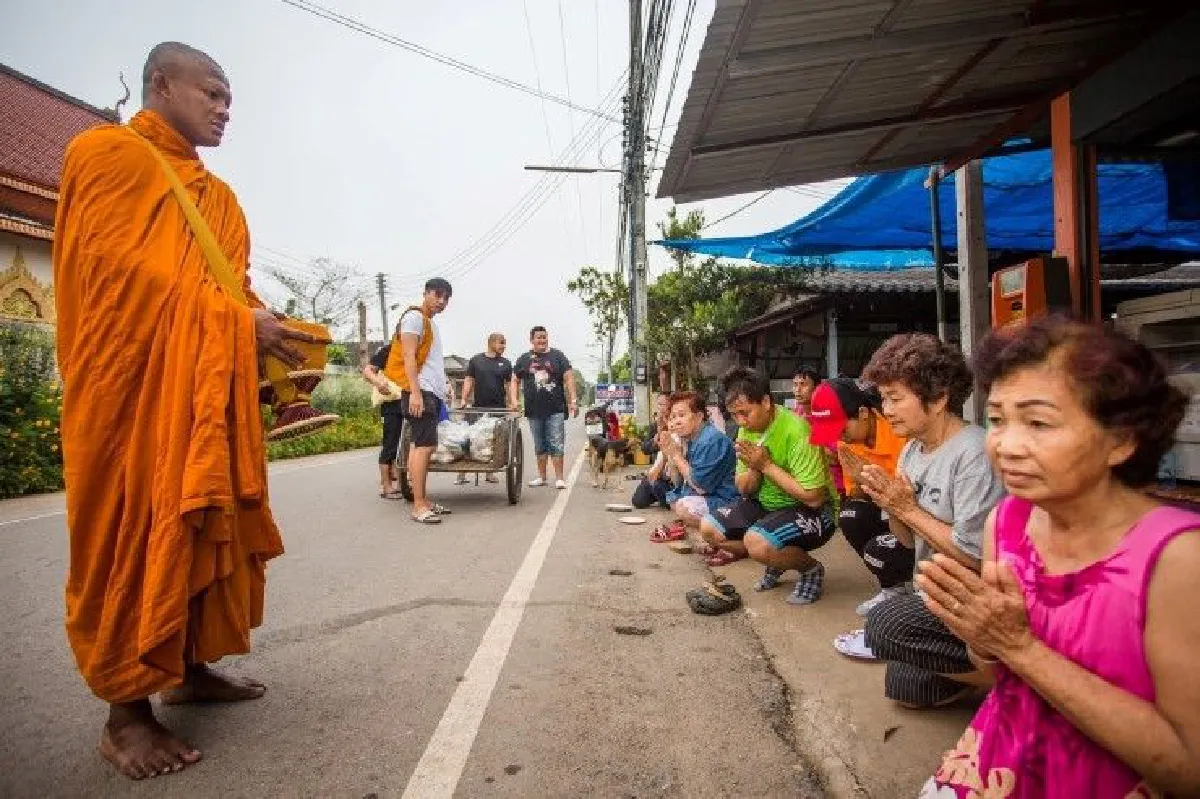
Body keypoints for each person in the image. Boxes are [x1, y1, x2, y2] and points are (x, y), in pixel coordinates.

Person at [53, 42, 318, 779]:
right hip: (130, 400)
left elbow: (222, 288)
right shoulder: (106, 157)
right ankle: (126, 714)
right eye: (212, 94)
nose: (224, 109)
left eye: (230, 99)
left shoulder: (220, 199)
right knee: (138, 533)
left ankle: (189, 665)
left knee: (203, 526)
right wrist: (236, 325)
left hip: (201, 396)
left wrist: (268, 331)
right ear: (160, 84)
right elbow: (117, 285)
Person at [917, 318, 1200, 798]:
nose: (1004, 446)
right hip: (1002, 759)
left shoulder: (1177, 559)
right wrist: (985, 639)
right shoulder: (1004, 524)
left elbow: (1189, 769)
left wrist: (1020, 646)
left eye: (1038, 422)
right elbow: (996, 674)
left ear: (1121, 440)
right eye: (998, 419)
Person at [841, 333, 1004, 709]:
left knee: (882, 625)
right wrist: (890, 504)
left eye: (896, 398)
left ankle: (1010, 683)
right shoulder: (911, 452)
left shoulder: (973, 454)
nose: (887, 409)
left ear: (939, 397)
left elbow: (976, 556)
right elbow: (909, 541)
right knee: (906, 689)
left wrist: (910, 509)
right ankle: (976, 675)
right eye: (884, 399)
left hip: (971, 593)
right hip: (931, 589)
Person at [697, 368, 838, 601]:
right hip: (767, 505)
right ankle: (775, 555)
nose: (741, 421)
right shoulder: (746, 430)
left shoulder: (797, 431)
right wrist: (754, 466)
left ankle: (810, 569)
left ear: (765, 401)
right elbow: (743, 489)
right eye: (734, 415)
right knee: (709, 528)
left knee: (758, 543)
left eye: (745, 412)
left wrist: (766, 466)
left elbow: (814, 497)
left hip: (815, 512)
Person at [807, 378, 913, 616]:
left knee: (879, 549)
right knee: (850, 516)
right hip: (884, 507)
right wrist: (864, 480)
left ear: (863, 413)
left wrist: (870, 479)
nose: (840, 439)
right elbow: (854, 493)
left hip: (915, 514)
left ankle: (914, 582)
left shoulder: (900, 434)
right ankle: (892, 587)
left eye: (842, 429)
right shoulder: (849, 443)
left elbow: (913, 498)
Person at [383, 277, 454, 523]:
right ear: (425, 293)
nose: (442, 301)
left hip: (430, 392)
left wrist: (444, 386)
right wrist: (414, 392)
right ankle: (418, 506)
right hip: (420, 391)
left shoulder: (430, 324)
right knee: (423, 447)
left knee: (421, 446)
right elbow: (408, 356)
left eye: (446, 298)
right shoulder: (413, 318)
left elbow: (432, 362)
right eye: (438, 295)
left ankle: (422, 499)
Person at [654, 391, 738, 526]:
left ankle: (717, 526)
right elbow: (677, 482)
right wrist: (671, 454)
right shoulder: (690, 438)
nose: (676, 422)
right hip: (705, 494)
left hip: (726, 499)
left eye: (682, 415)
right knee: (672, 499)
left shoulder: (710, 440)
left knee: (683, 507)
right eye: (673, 417)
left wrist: (676, 455)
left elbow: (700, 487)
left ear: (699, 417)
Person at [513, 326, 577, 489]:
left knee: (556, 443)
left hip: (555, 408)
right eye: (539, 337)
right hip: (534, 410)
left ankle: (560, 478)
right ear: (532, 340)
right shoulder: (524, 359)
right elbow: (514, 379)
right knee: (539, 444)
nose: (542, 340)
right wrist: (514, 400)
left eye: (544, 337)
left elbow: (569, 377)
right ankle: (542, 477)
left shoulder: (557, 356)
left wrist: (573, 400)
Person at [457, 333, 517, 484]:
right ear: (491, 343)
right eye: (501, 343)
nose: (504, 346)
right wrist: (464, 399)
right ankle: (462, 472)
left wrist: (513, 402)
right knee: (470, 437)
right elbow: (469, 380)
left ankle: (489, 473)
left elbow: (509, 385)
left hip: (498, 408)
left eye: (505, 343)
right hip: (478, 407)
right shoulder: (476, 361)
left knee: (494, 440)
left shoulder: (506, 363)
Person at [362, 322, 405, 498]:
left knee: (405, 446)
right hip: (392, 404)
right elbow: (367, 371)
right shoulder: (387, 350)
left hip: (409, 402)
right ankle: (386, 487)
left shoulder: (415, 353)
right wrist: (378, 382)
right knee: (390, 445)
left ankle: (402, 484)